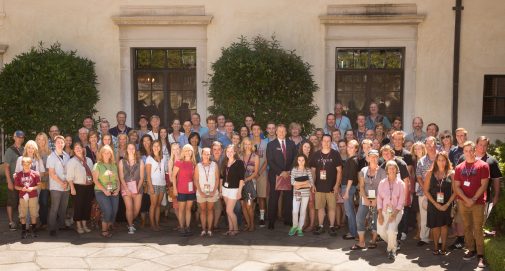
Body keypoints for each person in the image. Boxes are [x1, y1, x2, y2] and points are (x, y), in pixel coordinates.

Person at [453, 141, 489, 268]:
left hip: (478, 202)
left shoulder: (483, 165)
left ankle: (480, 256)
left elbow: (484, 184)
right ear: (463, 152)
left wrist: (473, 199)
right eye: (466, 150)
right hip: (463, 202)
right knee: (467, 227)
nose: (468, 153)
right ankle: (471, 250)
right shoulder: (459, 167)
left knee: (478, 229)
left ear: (474, 150)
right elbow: (456, 186)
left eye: (470, 150)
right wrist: (466, 199)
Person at [351, 150, 386, 250]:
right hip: (365, 197)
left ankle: (374, 240)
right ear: (368, 158)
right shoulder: (363, 170)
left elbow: (383, 188)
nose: (373, 159)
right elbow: (361, 186)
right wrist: (365, 199)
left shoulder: (382, 171)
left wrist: (376, 200)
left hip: (378, 198)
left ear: (378, 157)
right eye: (371, 156)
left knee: (375, 220)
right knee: (359, 218)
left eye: (375, 157)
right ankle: (361, 242)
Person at [423, 151, 456, 255]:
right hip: (433, 204)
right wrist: (435, 203)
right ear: (436, 161)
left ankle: (444, 248)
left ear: (447, 161)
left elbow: (455, 192)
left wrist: (447, 205)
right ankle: (436, 247)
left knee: (444, 226)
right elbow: (426, 191)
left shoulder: (451, 174)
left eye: (443, 160)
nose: (441, 162)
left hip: (447, 204)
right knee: (435, 226)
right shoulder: (429, 173)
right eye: (439, 160)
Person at [310, 134, 343, 236]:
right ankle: (320, 226)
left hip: (331, 187)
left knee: (332, 207)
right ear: (321, 142)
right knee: (320, 207)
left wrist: (337, 185)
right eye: (324, 141)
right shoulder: (316, 154)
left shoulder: (335, 154)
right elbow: (313, 171)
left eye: (328, 141)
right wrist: (313, 184)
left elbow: (339, 171)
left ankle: (332, 226)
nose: (326, 143)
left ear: (331, 142)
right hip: (319, 186)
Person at [266, 124, 297, 229]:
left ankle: (288, 219)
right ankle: (271, 221)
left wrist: (289, 171)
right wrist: (280, 172)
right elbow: (270, 161)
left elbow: (295, 159)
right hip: (275, 175)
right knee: (274, 199)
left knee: (288, 198)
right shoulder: (271, 145)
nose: (281, 133)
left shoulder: (291, 144)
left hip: (288, 175)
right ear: (276, 132)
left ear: (286, 132)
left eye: (283, 131)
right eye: (279, 131)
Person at [377, 160, 405, 260]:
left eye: (394, 168)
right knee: (380, 231)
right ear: (387, 170)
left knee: (391, 230)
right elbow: (379, 199)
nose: (392, 170)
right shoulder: (382, 183)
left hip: (396, 212)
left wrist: (394, 213)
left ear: (396, 170)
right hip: (384, 211)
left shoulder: (401, 183)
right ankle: (395, 243)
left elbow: (401, 201)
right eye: (390, 168)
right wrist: (380, 214)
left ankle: (391, 250)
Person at [474, 136, 503, 230]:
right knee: (466, 224)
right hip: (466, 197)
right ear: (476, 145)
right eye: (480, 144)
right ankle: (466, 242)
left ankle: (476, 243)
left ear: (488, 147)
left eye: (485, 145)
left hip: (483, 199)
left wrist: (496, 196)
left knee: (479, 223)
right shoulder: (466, 157)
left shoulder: (492, 161)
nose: (482, 147)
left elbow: (496, 180)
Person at [66, 142, 94, 234]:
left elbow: (93, 173)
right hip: (78, 187)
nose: (78, 149)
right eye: (76, 148)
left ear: (83, 149)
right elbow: (69, 177)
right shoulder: (72, 161)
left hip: (89, 187)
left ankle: (85, 225)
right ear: (74, 150)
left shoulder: (89, 160)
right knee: (78, 207)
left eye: (79, 147)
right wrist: (72, 188)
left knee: (87, 207)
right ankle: (78, 226)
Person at [92, 145, 120, 238]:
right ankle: (104, 230)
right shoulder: (97, 165)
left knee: (114, 211)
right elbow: (95, 180)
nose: (107, 154)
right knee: (108, 210)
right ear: (101, 154)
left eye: (109, 153)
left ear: (111, 154)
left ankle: (108, 226)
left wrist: (118, 189)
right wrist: (104, 190)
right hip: (101, 191)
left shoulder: (113, 165)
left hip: (113, 191)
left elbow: (117, 179)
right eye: (105, 152)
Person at [415, 136, 437, 246]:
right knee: (424, 216)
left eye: (431, 144)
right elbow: (418, 176)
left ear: (435, 144)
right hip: (423, 191)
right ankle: (424, 238)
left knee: (438, 215)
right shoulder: (421, 160)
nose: (429, 146)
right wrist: (425, 189)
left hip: (439, 193)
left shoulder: (441, 158)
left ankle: (439, 239)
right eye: (427, 144)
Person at [47, 135, 71, 236]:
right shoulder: (51, 157)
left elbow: (69, 170)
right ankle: (52, 228)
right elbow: (52, 173)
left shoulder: (67, 155)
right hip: (56, 187)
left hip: (66, 186)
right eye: (58, 142)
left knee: (63, 208)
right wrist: (62, 183)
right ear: (54, 144)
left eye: (62, 142)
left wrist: (67, 183)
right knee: (54, 208)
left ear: (64, 143)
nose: (60, 144)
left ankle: (62, 225)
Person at [119, 143, 144, 234]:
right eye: (129, 148)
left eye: (133, 148)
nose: (131, 150)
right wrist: (127, 189)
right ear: (126, 150)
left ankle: (130, 221)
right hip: (126, 187)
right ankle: (130, 225)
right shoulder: (122, 162)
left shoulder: (140, 161)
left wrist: (137, 189)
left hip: (138, 187)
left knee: (137, 210)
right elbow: (121, 177)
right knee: (129, 208)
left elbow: (141, 177)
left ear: (135, 150)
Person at [220, 144, 245, 236]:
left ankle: (236, 229)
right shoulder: (224, 162)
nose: (229, 153)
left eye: (231, 151)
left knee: (229, 211)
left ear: (234, 152)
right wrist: (220, 190)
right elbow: (221, 177)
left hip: (234, 190)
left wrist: (239, 192)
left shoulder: (239, 163)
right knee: (228, 210)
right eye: (228, 151)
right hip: (225, 189)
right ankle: (230, 230)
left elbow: (241, 179)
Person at [194, 147, 220, 236]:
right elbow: (196, 180)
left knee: (210, 210)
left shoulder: (214, 165)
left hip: (212, 191)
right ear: (201, 155)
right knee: (203, 210)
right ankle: (203, 229)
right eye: (205, 153)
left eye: (208, 154)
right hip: (201, 192)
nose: (206, 155)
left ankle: (209, 230)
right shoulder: (198, 166)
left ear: (210, 155)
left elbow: (217, 179)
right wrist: (200, 192)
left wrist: (214, 191)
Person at [338, 139, 360, 240]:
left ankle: (353, 233)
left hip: (349, 187)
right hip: (347, 187)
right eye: (348, 146)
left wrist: (346, 191)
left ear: (356, 149)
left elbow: (351, 177)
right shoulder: (350, 159)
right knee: (350, 210)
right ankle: (353, 231)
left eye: (352, 147)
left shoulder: (354, 160)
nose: (349, 148)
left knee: (349, 211)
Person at [173, 144, 197, 236]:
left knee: (188, 209)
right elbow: (173, 176)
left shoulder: (194, 163)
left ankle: (187, 227)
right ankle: (181, 227)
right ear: (183, 152)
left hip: (191, 191)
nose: (188, 152)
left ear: (192, 152)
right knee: (181, 209)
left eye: (190, 150)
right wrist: (175, 188)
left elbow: (195, 178)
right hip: (181, 190)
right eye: (186, 150)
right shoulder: (179, 162)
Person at [14, 157, 41, 238]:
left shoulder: (35, 174)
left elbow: (39, 185)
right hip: (23, 197)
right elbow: (16, 186)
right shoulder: (18, 175)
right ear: (22, 164)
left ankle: (34, 230)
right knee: (23, 214)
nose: (26, 166)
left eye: (28, 164)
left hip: (33, 196)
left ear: (31, 164)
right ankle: (23, 231)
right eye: (24, 164)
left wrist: (32, 188)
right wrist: (21, 188)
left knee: (33, 214)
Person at [289, 154, 313, 236]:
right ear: (297, 160)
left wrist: (299, 185)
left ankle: (300, 228)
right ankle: (294, 226)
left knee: (303, 211)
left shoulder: (308, 170)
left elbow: (311, 183)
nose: (301, 162)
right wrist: (305, 183)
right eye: (299, 160)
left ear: (305, 161)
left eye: (303, 160)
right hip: (297, 193)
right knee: (295, 211)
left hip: (306, 194)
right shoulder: (294, 169)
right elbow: (293, 183)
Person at [146, 140, 167, 231]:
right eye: (154, 146)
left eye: (158, 146)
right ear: (152, 147)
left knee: (158, 205)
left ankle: (157, 223)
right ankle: (152, 224)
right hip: (153, 184)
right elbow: (148, 175)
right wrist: (150, 187)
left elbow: (164, 171)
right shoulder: (149, 158)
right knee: (153, 205)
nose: (156, 147)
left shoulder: (164, 158)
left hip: (162, 184)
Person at [240, 137, 259, 232]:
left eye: (248, 144)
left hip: (250, 183)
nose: (247, 146)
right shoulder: (240, 155)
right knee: (243, 205)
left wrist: (246, 179)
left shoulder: (255, 156)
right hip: (241, 183)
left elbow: (256, 173)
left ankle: (252, 224)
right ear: (243, 145)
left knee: (249, 205)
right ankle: (247, 224)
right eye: (245, 144)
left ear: (251, 145)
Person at [299, 141, 316, 231]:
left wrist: (311, 185)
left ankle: (312, 224)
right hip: (300, 185)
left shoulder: (313, 158)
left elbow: (313, 173)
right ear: (302, 147)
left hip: (310, 185)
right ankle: (305, 222)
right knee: (303, 205)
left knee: (311, 204)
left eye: (308, 147)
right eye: (305, 146)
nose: (306, 148)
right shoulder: (298, 158)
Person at [35, 132, 51, 229]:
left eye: (43, 139)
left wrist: (43, 173)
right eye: (39, 139)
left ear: (46, 141)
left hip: (45, 182)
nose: (41, 141)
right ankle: (35, 221)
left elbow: (52, 170)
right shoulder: (33, 151)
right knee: (34, 202)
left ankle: (44, 222)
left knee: (44, 202)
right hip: (34, 182)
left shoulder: (49, 153)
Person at [210, 141, 225, 230]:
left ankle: (215, 225)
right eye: (215, 149)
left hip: (222, 185)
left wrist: (221, 190)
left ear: (222, 150)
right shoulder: (208, 158)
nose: (217, 151)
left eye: (219, 149)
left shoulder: (225, 159)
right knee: (209, 206)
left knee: (219, 207)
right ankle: (209, 224)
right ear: (212, 150)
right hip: (210, 186)